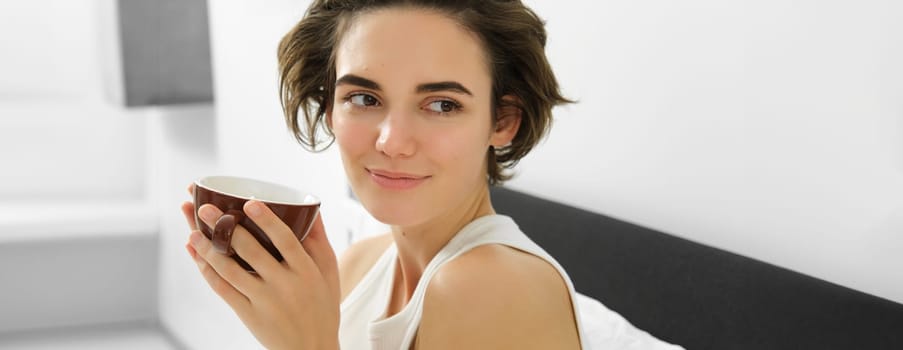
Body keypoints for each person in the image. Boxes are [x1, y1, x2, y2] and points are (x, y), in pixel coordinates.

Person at [182, 1, 682, 349]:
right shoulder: (359, 265)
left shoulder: (488, 288)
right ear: (329, 106)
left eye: (442, 104)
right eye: (364, 98)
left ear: (502, 120)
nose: (392, 141)